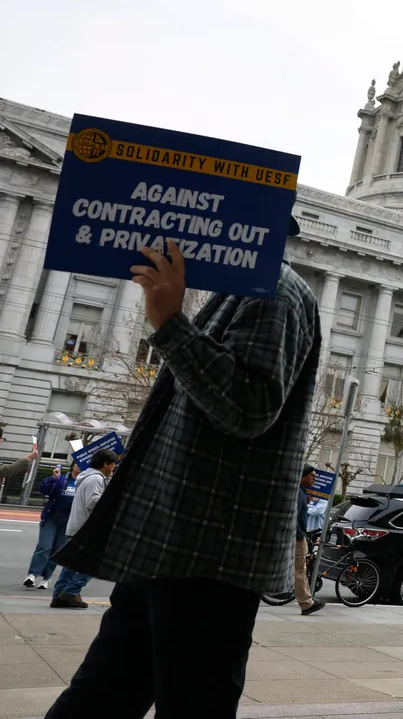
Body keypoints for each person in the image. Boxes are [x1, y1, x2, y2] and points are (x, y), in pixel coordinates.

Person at [45, 232, 322, 718]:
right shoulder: (236, 291)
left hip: (207, 554)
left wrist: (170, 324)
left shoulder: (273, 289)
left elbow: (248, 407)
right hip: (170, 544)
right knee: (98, 697)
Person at [49, 451, 118, 609]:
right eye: (113, 463)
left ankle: (59, 596)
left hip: (77, 526)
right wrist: (111, 501)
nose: (114, 467)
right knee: (92, 563)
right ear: (105, 464)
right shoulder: (95, 478)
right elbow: (93, 502)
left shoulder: (88, 476)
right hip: (88, 528)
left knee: (72, 564)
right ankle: (71, 592)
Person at [25, 462, 79, 590]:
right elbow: (44, 489)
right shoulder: (62, 478)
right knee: (44, 546)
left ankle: (46, 578)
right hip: (52, 517)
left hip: (69, 521)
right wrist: (53, 479)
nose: (79, 466)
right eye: (76, 464)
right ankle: (32, 575)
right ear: (72, 466)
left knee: (57, 551)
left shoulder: (85, 482)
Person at [294, 465, 325, 615]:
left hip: (296, 536)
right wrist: (300, 535)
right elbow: (294, 517)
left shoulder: (300, 493)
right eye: (312, 475)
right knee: (300, 570)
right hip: (297, 538)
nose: (315, 478)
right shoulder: (299, 494)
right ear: (303, 476)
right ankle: (306, 604)